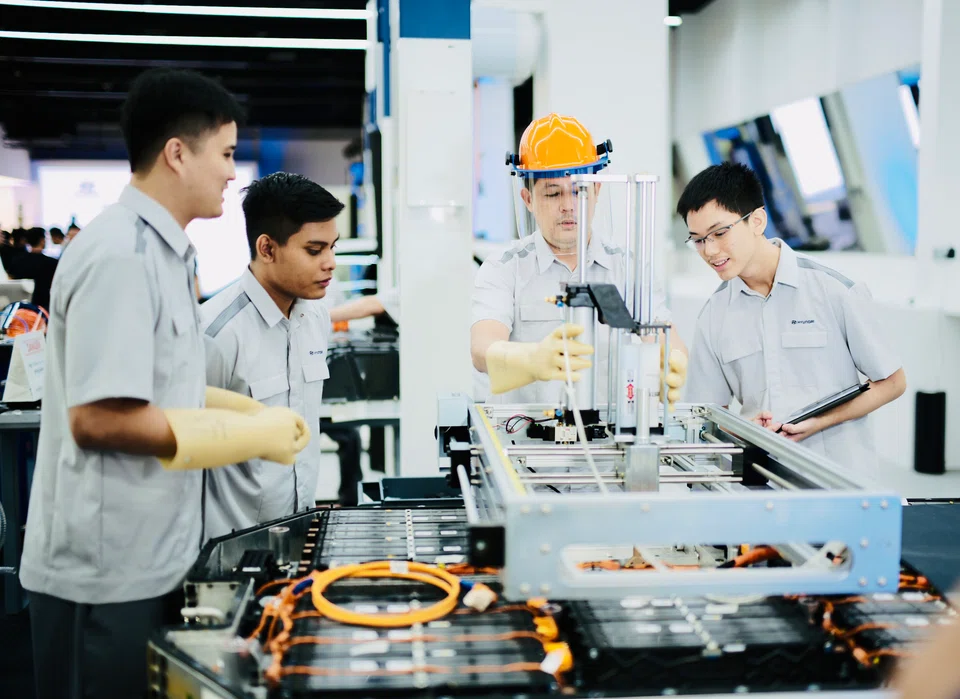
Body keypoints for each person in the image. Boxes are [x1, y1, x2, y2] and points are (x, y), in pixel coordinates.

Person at [19, 68, 311, 699]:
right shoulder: (120, 255)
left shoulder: (169, 253)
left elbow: (165, 384)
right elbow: (100, 418)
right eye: (226, 154)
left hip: (152, 557)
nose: (234, 173)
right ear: (178, 154)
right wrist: (235, 437)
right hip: (100, 570)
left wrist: (246, 412)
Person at [679, 162, 906, 470]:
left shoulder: (833, 291)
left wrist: (820, 421)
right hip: (764, 483)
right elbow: (707, 415)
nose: (709, 250)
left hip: (839, 481)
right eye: (698, 239)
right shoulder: (713, 317)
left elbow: (892, 382)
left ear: (757, 221)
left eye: (718, 233)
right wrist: (743, 426)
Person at [471, 113, 687, 403]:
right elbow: (482, 349)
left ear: (597, 191)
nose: (568, 206)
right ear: (528, 200)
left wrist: (670, 363)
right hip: (524, 440)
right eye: (552, 194)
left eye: (578, 191)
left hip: (608, 442)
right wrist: (531, 359)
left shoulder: (627, 268)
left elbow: (665, 339)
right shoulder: (504, 269)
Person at [199, 172, 341, 536]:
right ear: (267, 248)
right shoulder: (215, 333)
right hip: (232, 542)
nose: (330, 262)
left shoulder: (316, 317)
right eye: (314, 250)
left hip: (301, 528)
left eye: (332, 247)